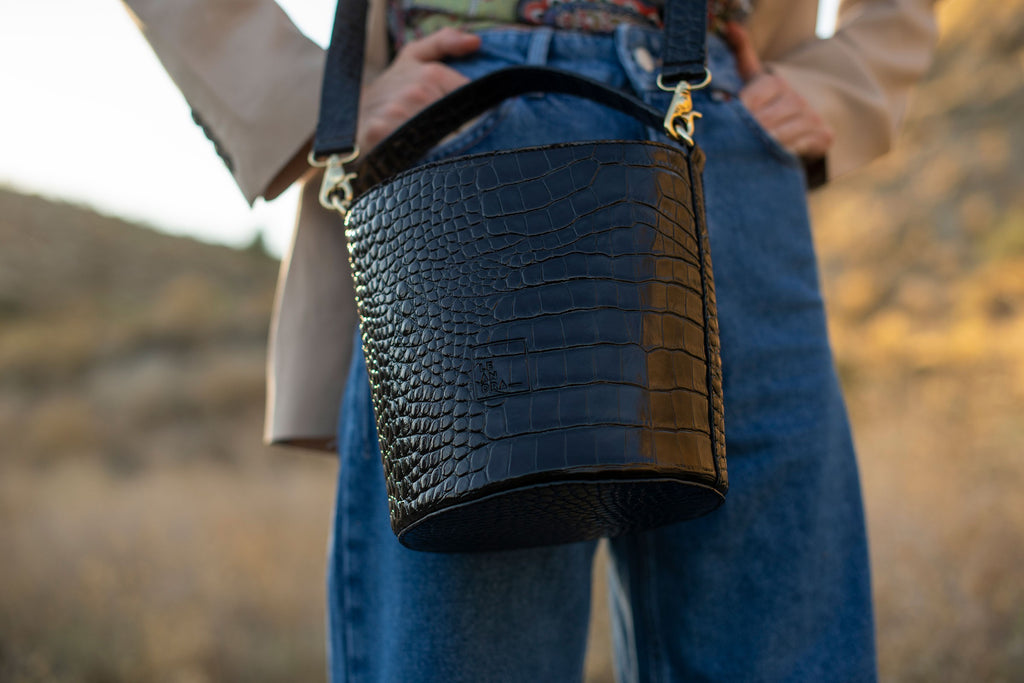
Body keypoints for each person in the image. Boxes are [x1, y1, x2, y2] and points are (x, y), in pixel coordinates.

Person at [123, 0, 938, 680]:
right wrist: (309, 96)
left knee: (788, 653)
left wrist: (846, 80)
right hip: (463, 114)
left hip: (729, 125)